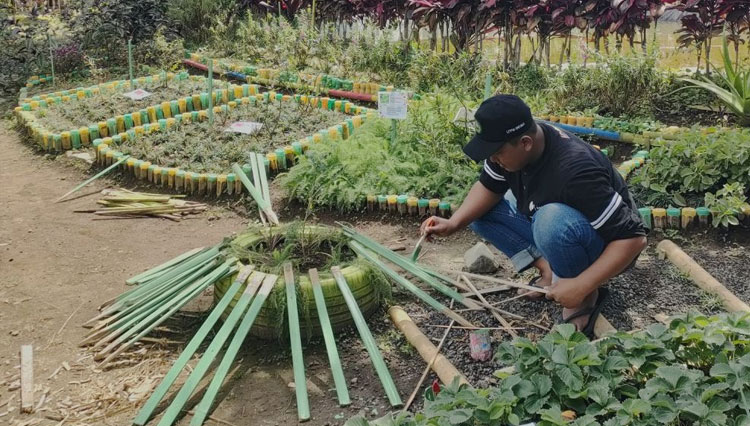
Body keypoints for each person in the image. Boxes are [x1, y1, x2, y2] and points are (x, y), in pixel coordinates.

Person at [420, 95, 647, 337]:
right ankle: (550, 270)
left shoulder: (575, 171)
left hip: (605, 243)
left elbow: (633, 239)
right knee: (477, 213)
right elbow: (488, 187)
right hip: (559, 224)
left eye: (496, 152)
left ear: (525, 142)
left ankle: (583, 298)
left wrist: (582, 285)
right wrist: (454, 223)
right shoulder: (513, 152)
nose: (493, 159)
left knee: (550, 221)